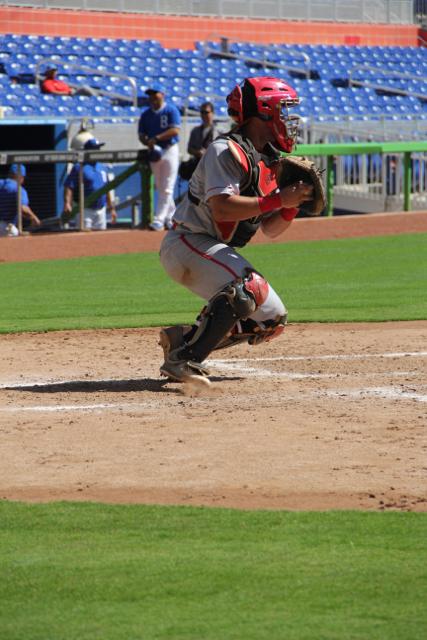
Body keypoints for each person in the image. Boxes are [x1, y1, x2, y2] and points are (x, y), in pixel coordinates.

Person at [157, 76, 313, 385]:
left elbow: (271, 229)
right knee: (248, 288)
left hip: (210, 249)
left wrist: (291, 206)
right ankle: (185, 360)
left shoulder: (269, 159)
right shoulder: (225, 150)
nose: (288, 118)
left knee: (271, 320)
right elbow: (222, 207)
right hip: (187, 243)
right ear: (264, 112)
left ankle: (183, 340)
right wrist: (279, 198)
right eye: (282, 110)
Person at [137, 83, 181, 231]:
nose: (152, 97)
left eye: (155, 93)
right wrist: (148, 142)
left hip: (169, 149)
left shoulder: (170, 109)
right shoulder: (146, 114)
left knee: (167, 186)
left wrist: (156, 138)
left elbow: (175, 130)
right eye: (150, 94)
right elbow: (141, 134)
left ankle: (159, 219)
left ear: (162, 94)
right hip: (154, 151)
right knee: (161, 186)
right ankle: (171, 218)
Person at [63, 138, 117, 230]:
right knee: (84, 238)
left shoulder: (102, 167)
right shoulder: (79, 166)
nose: (98, 151)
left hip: (101, 210)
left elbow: (107, 189)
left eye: (98, 149)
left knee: (101, 238)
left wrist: (111, 208)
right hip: (84, 210)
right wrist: (67, 203)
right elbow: (69, 186)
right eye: (95, 149)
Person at [178, 101, 219, 181]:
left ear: (212, 113)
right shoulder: (195, 131)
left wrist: (207, 153)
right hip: (197, 167)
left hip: (213, 167)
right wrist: (198, 152)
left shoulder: (219, 132)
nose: (204, 115)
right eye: (202, 112)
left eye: (206, 112)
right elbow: (189, 149)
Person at [0, 164, 40, 237]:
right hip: (6, 227)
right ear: (20, 177)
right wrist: (34, 218)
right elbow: (23, 208)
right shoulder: (19, 189)